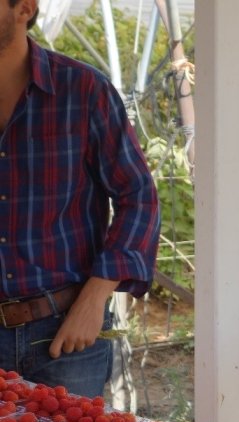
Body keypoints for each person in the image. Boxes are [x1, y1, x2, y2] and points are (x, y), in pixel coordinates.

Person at [0, 0, 160, 398]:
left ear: (24, 9)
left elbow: (137, 196)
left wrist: (93, 299)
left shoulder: (83, 90)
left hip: (66, 334)